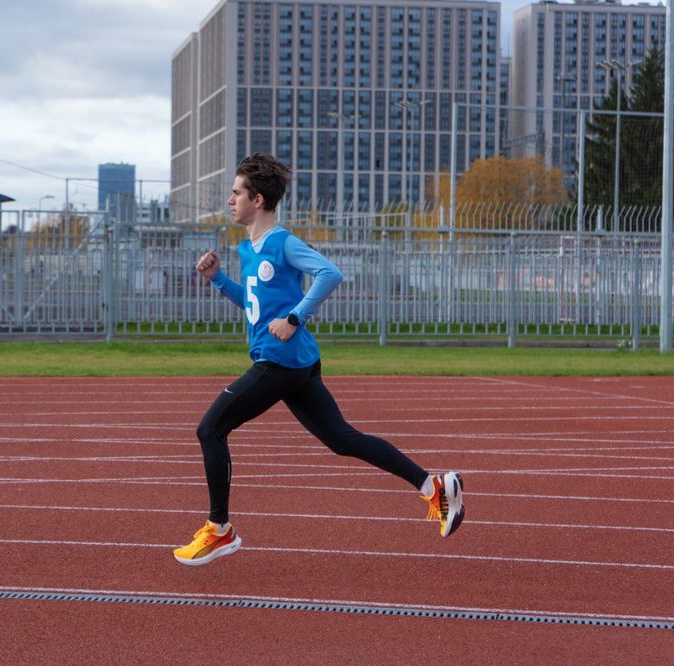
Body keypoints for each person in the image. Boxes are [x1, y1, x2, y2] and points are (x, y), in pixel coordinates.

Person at [173, 153, 464, 566]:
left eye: (235, 193)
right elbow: (254, 304)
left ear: (257, 199)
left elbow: (330, 274)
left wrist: (294, 318)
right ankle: (432, 486)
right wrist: (218, 279)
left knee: (210, 429)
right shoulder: (248, 248)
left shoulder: (282, 241)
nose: (229, 200)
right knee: (342, 439)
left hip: (280, 361)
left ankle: (219, 530)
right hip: (296, 364)